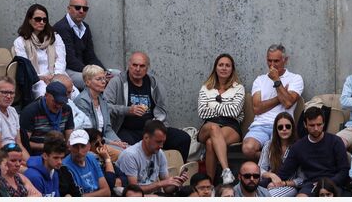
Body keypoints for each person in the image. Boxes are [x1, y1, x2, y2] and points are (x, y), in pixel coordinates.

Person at [104, 51, 191, 161]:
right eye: (134, 65)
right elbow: (105, 106)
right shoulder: (117, 82)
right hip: (126, 129)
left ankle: (176, 174)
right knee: (130, 148)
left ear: (147, 68)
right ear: (129, 65)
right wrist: (128, 110)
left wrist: (159, 126)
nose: (138, 69)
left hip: (151, 128)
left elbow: (161, 109)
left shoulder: (153, 83)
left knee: (183, 138)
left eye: (142, 66)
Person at [240, 44, 303, 160]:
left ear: (285, 60)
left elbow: (288, 103)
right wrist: (281, 96)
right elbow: (257, 108)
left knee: (286, 151)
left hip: (283, 125)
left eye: (276, 61)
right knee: (247, 148)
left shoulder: (295, 78)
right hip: (261, 126)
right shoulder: (260, 80)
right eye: (269, 61)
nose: (272, 65)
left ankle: (271, 164)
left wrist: (276, 80)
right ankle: (271, 158)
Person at [277, 106, 349, 196]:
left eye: (319, 125)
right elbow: (284, 172)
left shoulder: (336, 141)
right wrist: (268, 178)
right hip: (310, 184)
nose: (316, 128)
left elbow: (344, 170)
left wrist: (330, 182)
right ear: (305, 124)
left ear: (324, 124)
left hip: (332, 183)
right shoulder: (298, 146)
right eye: (312, 125)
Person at [196, 53, 244, 184]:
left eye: (227, 65)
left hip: (231, 126)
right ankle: (226, 170)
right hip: (208, 125)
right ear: (215, 68)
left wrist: (212, 105)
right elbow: (202, 112)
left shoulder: (238, 88)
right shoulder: (206, 88)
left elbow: (235, 111)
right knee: (213, 127)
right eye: (221, 65)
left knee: (211, 143)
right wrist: (224, 107)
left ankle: (209, 184)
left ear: (232, 69)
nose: (224, 68)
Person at [116, 119, 188, 195]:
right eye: (158, 142)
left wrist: (176, 183)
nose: (161, 146)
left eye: (163, 142)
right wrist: (159, 184)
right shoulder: (130, 155)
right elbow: (133, 192)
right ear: (146, 138)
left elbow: (167, 189)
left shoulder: (159, 153)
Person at [52, 0, 107, 90]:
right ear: (69, 9)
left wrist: (103, 71)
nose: (81, 11)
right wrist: (92, 72)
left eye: (85, 9)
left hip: (84, 69)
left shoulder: (85, 27)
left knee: (116, 75)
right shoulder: (62, 27)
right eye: (77, 8)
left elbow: (91, 56)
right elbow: (70, 59)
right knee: (96, 82)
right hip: (67, 70)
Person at [13, 4, 67, 99]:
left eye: (44, 20)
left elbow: (61, 59)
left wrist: (55, 75)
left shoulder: (55, 37)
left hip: (56, 75)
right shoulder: (20, 42)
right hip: (36, 80)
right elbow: (27, 67)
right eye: (38, 19)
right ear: (29, 20)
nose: (42, 22)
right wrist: (42, 78)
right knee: (45, 94)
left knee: (72, 91)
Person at [73, 65, 126, 163]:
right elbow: (90, 133)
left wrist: (118, 142)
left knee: (130, 150)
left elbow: (108, 128)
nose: (103, 81)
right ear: (88, 82)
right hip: (93, 143)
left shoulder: (102, 99)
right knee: (125, 155)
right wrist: (113, 143)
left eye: (104, 78)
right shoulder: (82, 101)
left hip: (103, 141)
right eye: (99, 79)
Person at [19, 80, 74, 154]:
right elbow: (24, 143)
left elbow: (69, 137)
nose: (58, 106)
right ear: (46, 95)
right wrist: (47, 147)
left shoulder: (66, 109)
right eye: (55, 102)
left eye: (61, 103)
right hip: (38, 154)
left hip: (61, 152)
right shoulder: (30, 112)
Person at [257, 111, 304, 196]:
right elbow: (260, 169)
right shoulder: (269, 145)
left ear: (292, 128)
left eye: (288, 126)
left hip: (289, 186)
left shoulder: (299, 146)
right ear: (276, 129)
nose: (284, 129)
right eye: (280, 127)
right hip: (269, 183)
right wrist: (271, 175)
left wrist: (283, 183)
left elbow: (302, 179)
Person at [61, 129, 111, 197]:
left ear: (89, 146)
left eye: (83, 146)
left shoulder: (92, 157)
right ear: (69, 146)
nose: (79, 151)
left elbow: (107, 191)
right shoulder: (64, 167)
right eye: (75, 146)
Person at [0, 76, 27, 153]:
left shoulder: (13, 110)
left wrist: (29, 162)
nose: (9, 96)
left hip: (15, 153)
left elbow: (19, 143)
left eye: (11, 93)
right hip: (1, 155)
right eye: (4, 92)